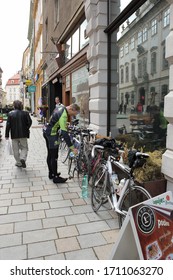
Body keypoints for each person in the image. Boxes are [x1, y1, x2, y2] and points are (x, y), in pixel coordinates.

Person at [43, 103, 80, 184]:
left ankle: (51, 173)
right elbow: (64, 134)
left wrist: (61, 124)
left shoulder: (60, 107)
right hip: (52, 134)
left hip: (46, 130)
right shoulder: (63, 115)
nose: (73, 116)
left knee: (50, 154)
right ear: (71, 109)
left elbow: (54, 118)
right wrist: (72, 148)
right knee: (54, 156)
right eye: (74, 114)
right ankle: (56, 177)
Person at [5, 100, 32, 168]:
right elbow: (30, 122)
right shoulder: (25, 113)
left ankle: (18, 162)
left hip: (14, 135)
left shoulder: (10, 114)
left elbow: (8, 125)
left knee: (15, 149)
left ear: (14, 106)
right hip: (23, 134)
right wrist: (26, 128)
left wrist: (7, 135)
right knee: (24, 147)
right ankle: (22, 158)